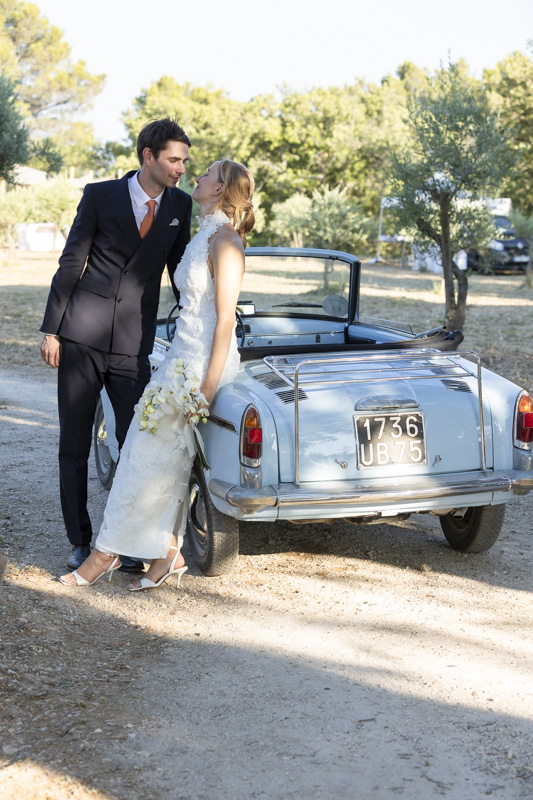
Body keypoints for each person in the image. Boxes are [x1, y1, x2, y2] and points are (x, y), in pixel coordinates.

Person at [59, 158, 255, 590]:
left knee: (141, 457)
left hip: (199, 368)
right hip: (177, 358)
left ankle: (103, 555)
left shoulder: (226, 243)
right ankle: (169, 555)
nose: (196, 176)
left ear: (220, 190)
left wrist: (205, 388)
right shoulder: (203, 233)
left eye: (206, 173)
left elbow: (225, 321)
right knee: (152, 458)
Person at [41, 118, 193, 573]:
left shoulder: (180, 205)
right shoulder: (99, 195)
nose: (181, 168)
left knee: (135, 443)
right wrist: (51, 329)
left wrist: (199, 318)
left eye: (185, 161)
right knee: (73, 442)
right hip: (80, 335)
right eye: (173, 159)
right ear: (148, 156)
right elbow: (72, 261)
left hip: (133, 342)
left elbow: (179, 273)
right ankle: (80, 541)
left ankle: (128, 541)